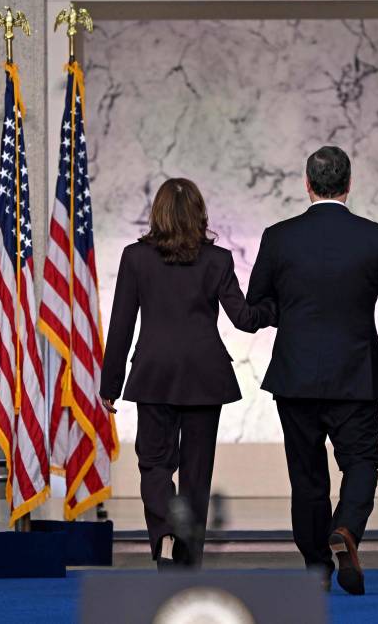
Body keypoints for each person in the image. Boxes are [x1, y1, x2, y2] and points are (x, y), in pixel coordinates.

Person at [246, 145, 378, 595]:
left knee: (307, 475)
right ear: (349, 184)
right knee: (361, 461)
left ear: (307, 184)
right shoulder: (376, 237)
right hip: (355, 376)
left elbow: (257, 303)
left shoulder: (278, 236)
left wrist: (289, 315)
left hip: (295, 375)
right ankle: (347, 531)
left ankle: (317, 568)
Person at [99, 177, 276, 569]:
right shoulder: (218, 260)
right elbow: (245, 319)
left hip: (155, 374)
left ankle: (164, 530)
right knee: (197, 472)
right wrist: (278, 307)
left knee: (155, 464)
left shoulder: (135, 257)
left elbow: (122, 324)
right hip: (204, 375)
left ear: (157, 213)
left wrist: (110, 383)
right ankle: (188, 556)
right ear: (199, 214)